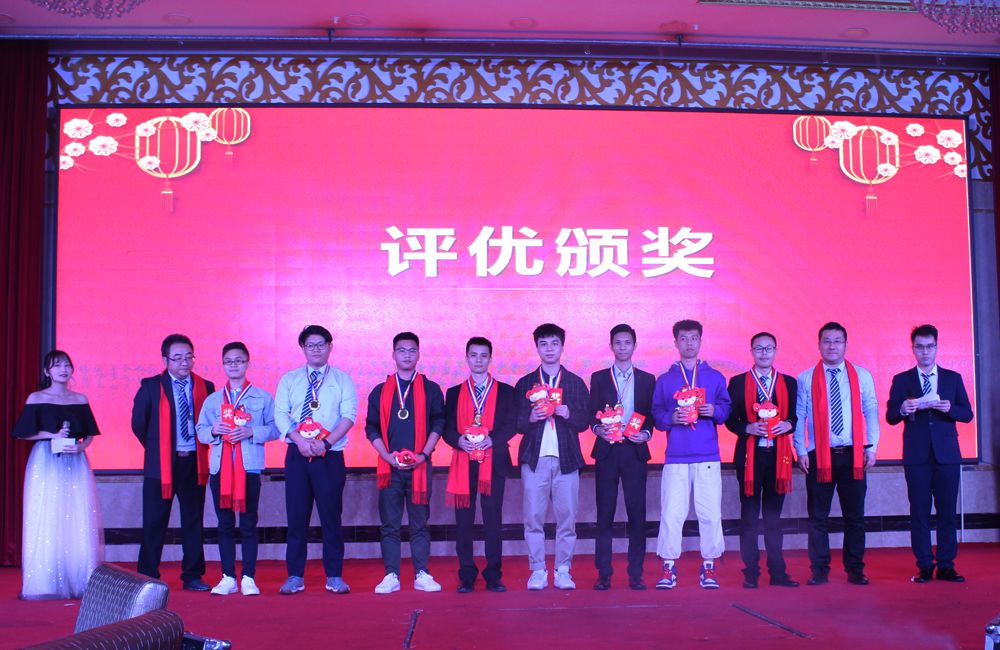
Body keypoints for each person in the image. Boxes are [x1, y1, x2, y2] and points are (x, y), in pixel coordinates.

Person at [886, 324, 973, 584]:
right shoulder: (902, 380)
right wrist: (903, 409)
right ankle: (924, 565)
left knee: (947, 512)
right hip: (916, 456)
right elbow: (891, 415)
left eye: (930, 346)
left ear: (937, 347)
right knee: (919, 512)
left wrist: (950, 409)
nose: (925, 352)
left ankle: (946, 565)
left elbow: (967, 414)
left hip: (947, 455)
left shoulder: (952, 378)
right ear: (913, 349)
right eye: (920, 347)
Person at [793, 322, 879, 586]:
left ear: (845, 344)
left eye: (837, 341)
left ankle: (855, 569)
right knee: (817, 517)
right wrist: (800, 449)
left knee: (855, 517)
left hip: (853, 455)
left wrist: (872, 446)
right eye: (827, 341)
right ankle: (819, 569)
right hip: (819, 455)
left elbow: (871, 410)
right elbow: (799, 414)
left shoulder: (862, 375)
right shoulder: (806, 378)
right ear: (819, 344)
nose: (832, 346)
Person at [12, 350, 103, 599]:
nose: (63, 369)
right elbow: (23, 433)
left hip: (76, 460)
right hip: (45, 459)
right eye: (57, 366)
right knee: (47, 512)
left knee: (77, 512)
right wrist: (51, 435)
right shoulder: (37, 398)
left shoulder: (79, 399)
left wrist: (81, 447)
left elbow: (90, 434)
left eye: (67, 365)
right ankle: (45, 581)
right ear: (47, 372)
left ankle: (79, 578)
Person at [274, 325, 357, 595]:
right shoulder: (289, 379)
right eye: (310, 345)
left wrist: (325, 443)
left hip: (329, 456)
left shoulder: (343, 379)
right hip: (297, 455)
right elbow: (280, 414)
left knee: (331, 517)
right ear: (303, 348)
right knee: (296, 517)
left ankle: (334, 576)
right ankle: (295, 576)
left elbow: (349, 416)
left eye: (321, 344)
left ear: (330, 347)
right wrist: (299, 440)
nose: (316, 349)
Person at [651, 319, 731, 590]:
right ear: (675, 343)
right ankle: (668, 568)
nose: (688, 343)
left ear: (700, 341)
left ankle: (709, 567)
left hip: (708, 455)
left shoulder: (715, 377)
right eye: (683, 338)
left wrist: (715, 411)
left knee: (710, 513)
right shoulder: (665, 380)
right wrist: (670, 418)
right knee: (672, 513)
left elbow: (726, 409)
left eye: (693, 338)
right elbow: (657, 414)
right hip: (676, 456)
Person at [196, 342, 280, 596]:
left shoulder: (262, 397)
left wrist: (251, 431)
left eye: (239, 360)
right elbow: (200, 431)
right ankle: (228, 577)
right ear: (223, 365)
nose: (234, 365)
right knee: (224, 524)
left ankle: (249, 577)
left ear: (247, 363)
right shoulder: (213, 400)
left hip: (249, 469)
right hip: (220, 470)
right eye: (229, 361)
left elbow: (276, 428)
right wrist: (213, 430)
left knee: (248, 523)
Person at [365, 332, 446, 594]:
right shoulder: (380, 391)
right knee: (390, 524)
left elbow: (438, 423)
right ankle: (391, 574)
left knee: (419, 523)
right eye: (402, 350)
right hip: (389, 468)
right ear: (393, 354)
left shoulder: (431, 389)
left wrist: (423, 455)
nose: (407, 355)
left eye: (412, 350)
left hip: (420, 467)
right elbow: (371, 427)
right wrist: (387, 456)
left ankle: (422, 573)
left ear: (418, 354)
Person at [132, 334, 214, 590]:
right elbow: (138, 424)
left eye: (188, 357)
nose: (184, 362)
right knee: (154, 522)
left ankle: (192, 575)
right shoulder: (151, 386)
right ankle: (147, 576)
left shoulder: (205, 387)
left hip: (194, 464)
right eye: (177, 358)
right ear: (165, 360)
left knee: (193, 521)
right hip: (161, 467)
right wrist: (159, 449)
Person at [513, 323, 591, 591]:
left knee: (567, 519)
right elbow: (515, 423)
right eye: (544, 344)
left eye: (554, 343)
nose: (549, 349)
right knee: (533, 518)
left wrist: (569, 414)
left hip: (567, 459)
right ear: (537, 347)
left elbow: (585, 422)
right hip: (534, 459)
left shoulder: (575, 383)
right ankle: (537, 570)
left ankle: (563, 570)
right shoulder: (525, 383)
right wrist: (530, 417)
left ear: (562, 347)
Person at [725, 332, 799, 589]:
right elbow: (729, 419)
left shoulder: (789, 383)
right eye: (759, 348)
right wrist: (747, 428)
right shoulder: (737, 382)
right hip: (749, 458)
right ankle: (751, 573)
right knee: (749, 517)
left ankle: (778, 573)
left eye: (769, 348)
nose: (764, 353)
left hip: (779, 458)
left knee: (773, 518)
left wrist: (788, 425)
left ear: (776, 351)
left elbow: (795, 417)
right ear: (751, 352)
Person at [443, 336, 516, 593]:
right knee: (463, 522)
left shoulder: (506, 391)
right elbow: (446, 428)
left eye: (483, 355)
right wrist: (458, 440)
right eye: (473, 355)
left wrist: (492, 439)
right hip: (463, 463)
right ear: (466, 358)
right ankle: (466, 576)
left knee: (492, 520)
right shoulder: (453, 393)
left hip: (493, 463)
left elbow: (512, 424)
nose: (478, 360)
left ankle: (494, 575)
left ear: (490, 359)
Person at [588, 324, 655, 591]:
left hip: (634, 450)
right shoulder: (599, 377)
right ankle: (603, 573)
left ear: (634, 346)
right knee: (604, 513)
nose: (623, 347)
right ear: (611, 346)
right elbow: (591, 413)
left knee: (637, 513)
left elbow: (651, 414)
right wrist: (598, 429)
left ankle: (636, 573)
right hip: (607, 450)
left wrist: (646, 433)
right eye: (618, 343)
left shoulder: (647, 379)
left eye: (627, 342)